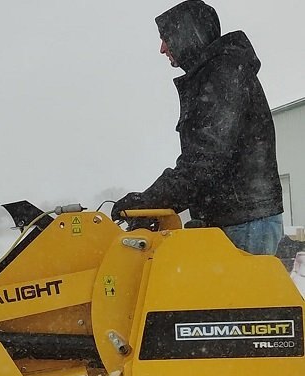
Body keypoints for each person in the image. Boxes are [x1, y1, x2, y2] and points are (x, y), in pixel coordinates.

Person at [111, 0, 284, 255]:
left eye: (166, 37)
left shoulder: (224, 73)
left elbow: (206, 158)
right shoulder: (215, 74)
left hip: (244, 223)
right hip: (235, 219)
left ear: (188, 33)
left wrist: (149, 201)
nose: (162, 48)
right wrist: (155, 204)